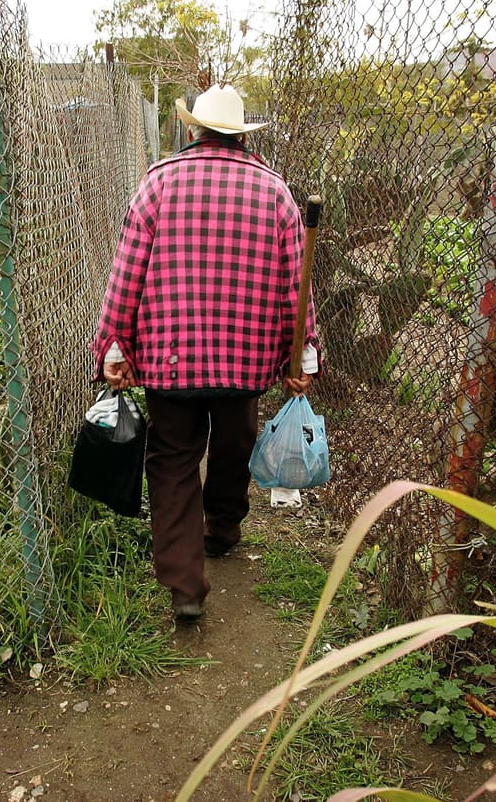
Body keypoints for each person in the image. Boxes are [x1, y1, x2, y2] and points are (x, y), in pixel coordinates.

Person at [92, 82, 320, 624]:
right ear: (242, 135)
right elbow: (297, 281)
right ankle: (222, 527)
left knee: (171, 458)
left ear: (193, 129)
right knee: (235, 439)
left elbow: (128, 274)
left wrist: (114, 343)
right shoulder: (276, 193)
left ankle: (184, 583)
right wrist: (302, 350)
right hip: (245, 358)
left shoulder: (159, 183)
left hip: (170, 358)